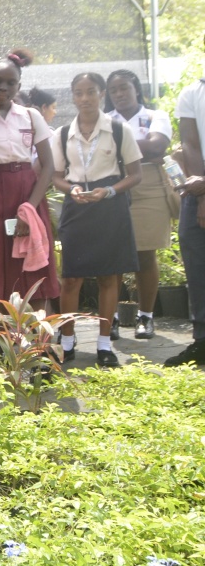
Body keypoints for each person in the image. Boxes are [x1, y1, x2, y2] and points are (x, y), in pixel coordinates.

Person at [51, 72, 142, 368]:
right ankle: (67, 341)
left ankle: (104, 344)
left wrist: (110, 191)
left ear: (101, 94)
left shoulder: (118, 129)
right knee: (72, 278)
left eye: (91, 92)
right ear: (73, 97)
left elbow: (135, 174)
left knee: (108, 276)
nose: (85, 98)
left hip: (109, 206)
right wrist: (72, 188)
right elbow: (56, 177)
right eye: (79, 93)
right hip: (77, 207)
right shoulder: (63, 133)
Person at [0, 49, 60, 309]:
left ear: (19, 86)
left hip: (27, 194)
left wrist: (29, 209)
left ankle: (38, 345)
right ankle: (6, 345)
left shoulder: (31, 116)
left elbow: (48, 165)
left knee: (34, 271)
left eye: (10, 82)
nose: (3, 87)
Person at [105, 69, 177, 340]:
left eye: (124, 87)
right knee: (112, 257)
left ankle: (145, 317)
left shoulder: (155, 116)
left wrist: (114, 147)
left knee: (145, 254)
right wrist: (140, 146)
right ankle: (109, 318)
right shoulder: (103, 119)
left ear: (135, 88)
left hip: (147, 186)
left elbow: (157, 146)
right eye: (114, 90)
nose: (120, 94)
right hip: (111, 185)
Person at [168, 46, 205, 366]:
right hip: (199, 192)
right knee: (197, 265)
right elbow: (190, 144)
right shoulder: (193, 93)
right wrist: (203, 196)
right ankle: (202, 341)